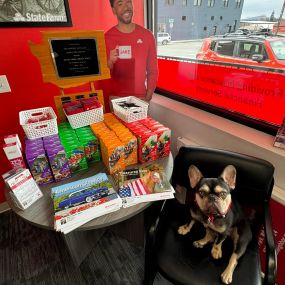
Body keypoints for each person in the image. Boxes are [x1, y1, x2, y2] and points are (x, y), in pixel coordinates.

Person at [105, 0, 158, 104]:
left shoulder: (147, 36)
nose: (126, 7)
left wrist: (149, 94)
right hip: (116, 98)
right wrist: (110, 62)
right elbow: (104, 76)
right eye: (120, 4)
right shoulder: (107, 38)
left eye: (128, 2)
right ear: (113, 10)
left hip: (141, 98)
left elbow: (153, 69)